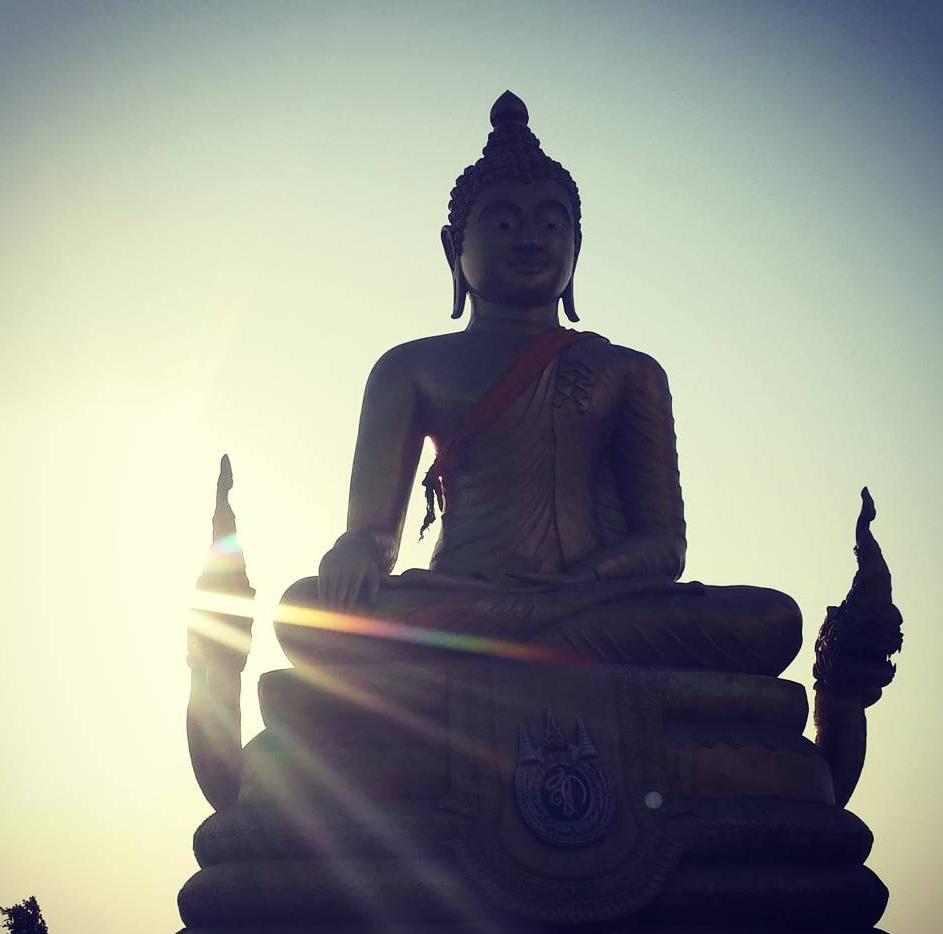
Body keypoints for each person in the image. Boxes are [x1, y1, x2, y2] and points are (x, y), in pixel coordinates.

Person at [278, 92, 800, 676]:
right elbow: (376, 533)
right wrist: (355, 550)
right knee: (305, 612)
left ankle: (508, 647)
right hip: (465, 596)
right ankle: (536, 642)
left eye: (551, 224)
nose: (530, 239)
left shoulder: (629, 371)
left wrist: (576, 585)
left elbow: (664, 544)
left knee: (772, 619)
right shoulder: (410, 369)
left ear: (577, 247)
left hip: (593, 602)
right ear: (454, 248)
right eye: (504, 223)